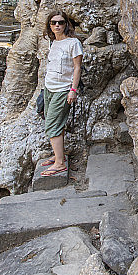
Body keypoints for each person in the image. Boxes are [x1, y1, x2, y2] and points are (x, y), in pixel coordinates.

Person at [40, 10, 83, 176]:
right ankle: (59, 155)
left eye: (60, 22)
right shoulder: (53, 42)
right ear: (49, 26)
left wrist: (73, 90)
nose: (57, 25)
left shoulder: (73, 43)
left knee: (52, 124)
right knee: (57, 123)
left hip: (63, 90)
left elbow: (77, 68)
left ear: (66, 24)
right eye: (53, 23)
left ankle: (59, 164)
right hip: (49, 88)